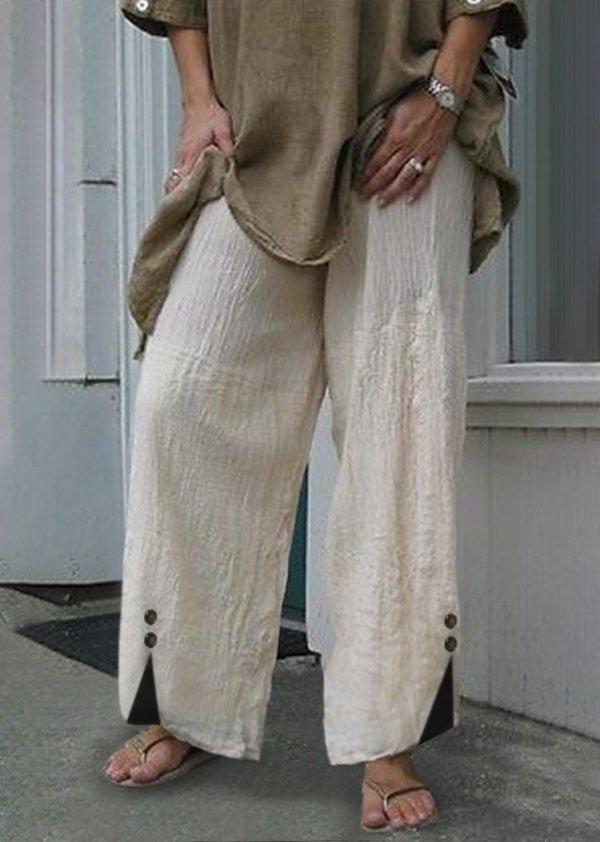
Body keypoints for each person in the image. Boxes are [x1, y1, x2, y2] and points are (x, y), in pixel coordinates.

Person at [103, 0, 528, 831]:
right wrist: (198, 98)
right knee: (182, 400)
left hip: (406, 110)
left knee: (399, 419)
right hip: (257, 129)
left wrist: (446, 90)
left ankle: (388, 735)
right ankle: (187, 699)